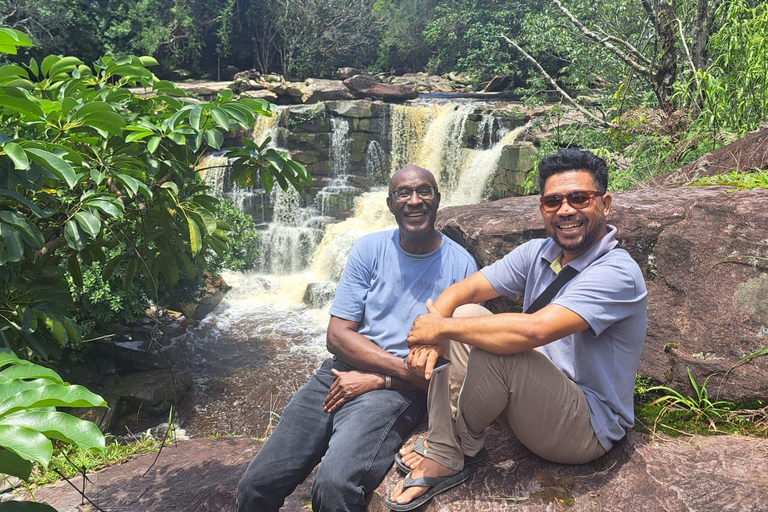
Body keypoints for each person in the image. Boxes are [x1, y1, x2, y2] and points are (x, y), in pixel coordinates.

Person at [387, 149, 647, 511]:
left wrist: (437, 329)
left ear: (605, 203)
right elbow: (466, 289)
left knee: (500, 347)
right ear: (542, 208)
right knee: (465, 313)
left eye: (579, 198)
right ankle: (457, 437)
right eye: (554, 201)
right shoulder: (540, 252)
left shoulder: (617, 273)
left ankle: (448, 450)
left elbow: (534, 331)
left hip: (584, 427)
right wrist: (435, 331)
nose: (566, 210)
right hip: (535, 400)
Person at [236, 165, 478, 512]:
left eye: (424, 191)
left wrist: (380, 379)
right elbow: (337, 336)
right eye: (403, 194)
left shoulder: (461, 267)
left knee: (334, 486)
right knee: (255, 487)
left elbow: (458, 369)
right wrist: (380, 371)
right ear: (390, 203)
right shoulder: (369, 249)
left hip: (398, 391)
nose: (415, 201)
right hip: (337, 374)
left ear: (437, 199)